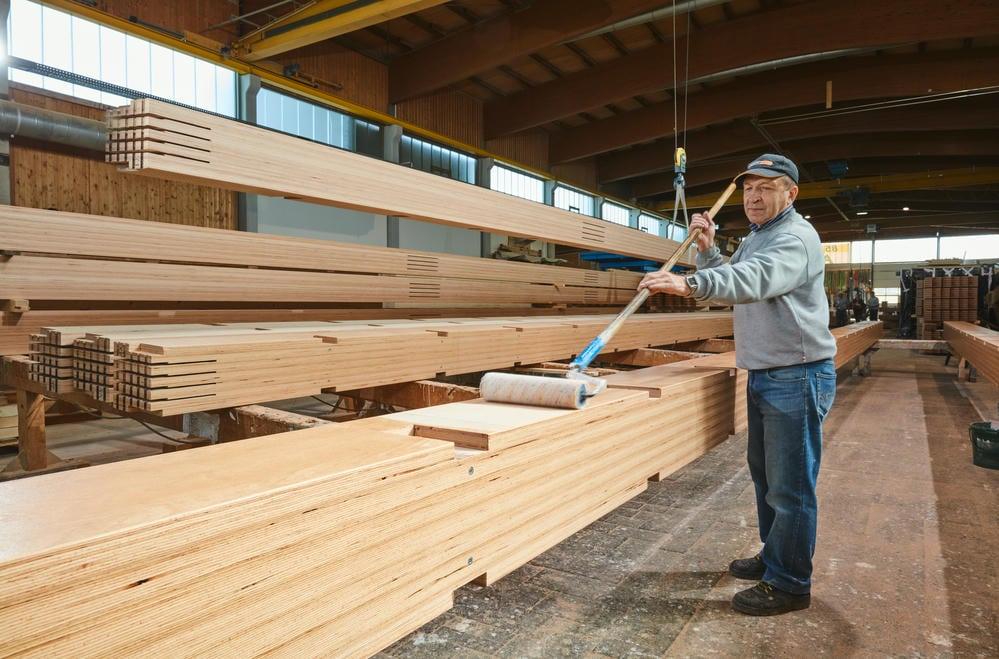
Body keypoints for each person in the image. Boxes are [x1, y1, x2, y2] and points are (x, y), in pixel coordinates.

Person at [638, 153, 837, 616]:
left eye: (766, 188)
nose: (754, 196)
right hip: (768, 371)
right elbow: (736, 272)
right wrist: (707, 249)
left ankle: (790, 583)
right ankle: (775, 557)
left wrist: (689, 283)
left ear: (791, 193)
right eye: (749, 188)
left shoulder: (794, 238)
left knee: (791, 489)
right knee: (767, 479)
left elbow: (754, 279)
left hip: (796, 373)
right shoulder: (760, 235)